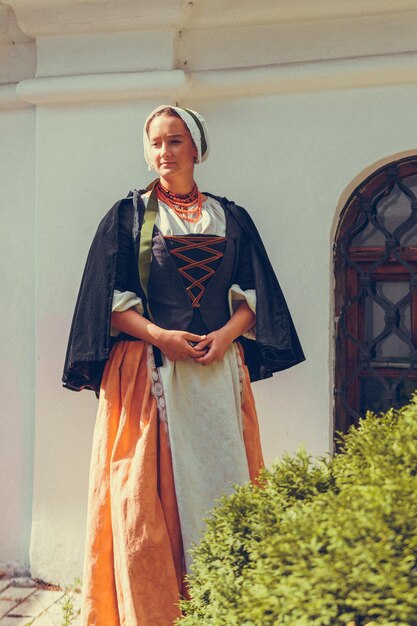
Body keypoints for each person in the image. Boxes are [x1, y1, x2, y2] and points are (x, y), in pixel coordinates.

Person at [62, 105, 305, 626]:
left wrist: (225, 336)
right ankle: (155, 612)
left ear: (196, 149)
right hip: (146, 373)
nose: (163, 153)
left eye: (174, 142)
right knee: (141, 505)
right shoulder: (128, 216)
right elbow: (105, 301)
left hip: (218, 375)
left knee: (223, 486)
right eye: (155, 143)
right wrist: (160, 337)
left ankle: (222, 604)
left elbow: (255, 296)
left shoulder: (230, 218)